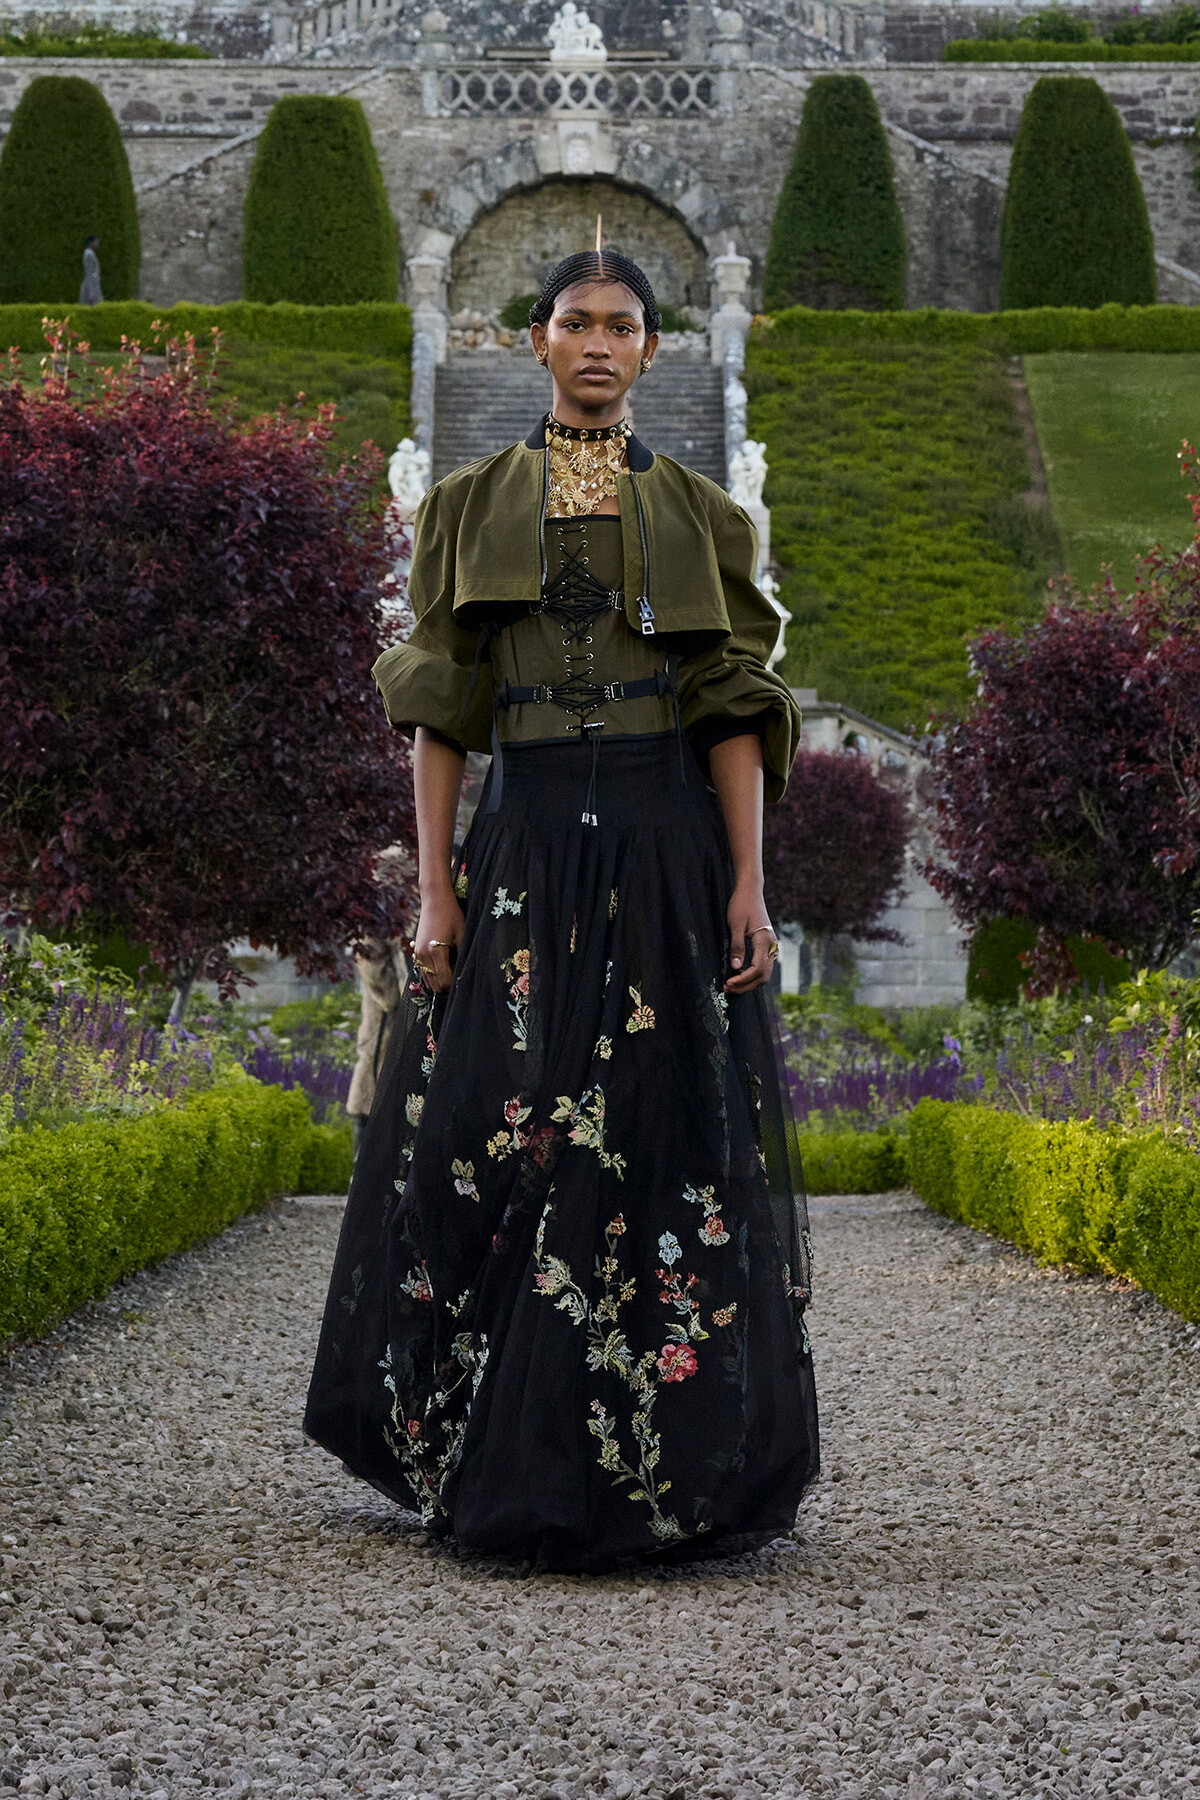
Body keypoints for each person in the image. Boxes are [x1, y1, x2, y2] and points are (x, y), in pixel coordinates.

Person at [305, 247, 819, 1571]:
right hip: (524, 830)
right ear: (533, 339)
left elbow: (733, 710)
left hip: (664, 839)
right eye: (576, 322)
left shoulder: (707, 514)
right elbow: (437, 716)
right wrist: (435, 889)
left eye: (624, 325)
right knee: (503, 1125)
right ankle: (502, 1455)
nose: (599, 344)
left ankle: (663, 1470)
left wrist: (750, 880)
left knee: (661, 1130)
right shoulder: (472, 503)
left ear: (653, 349)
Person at [79, 235, 102, 305]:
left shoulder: (90, 254)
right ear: (91, 243)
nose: (97, 244)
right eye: (96, 242)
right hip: (90, 287)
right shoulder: (89, 255)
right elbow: (90, 273)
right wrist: (91, 292)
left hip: (92, 286)